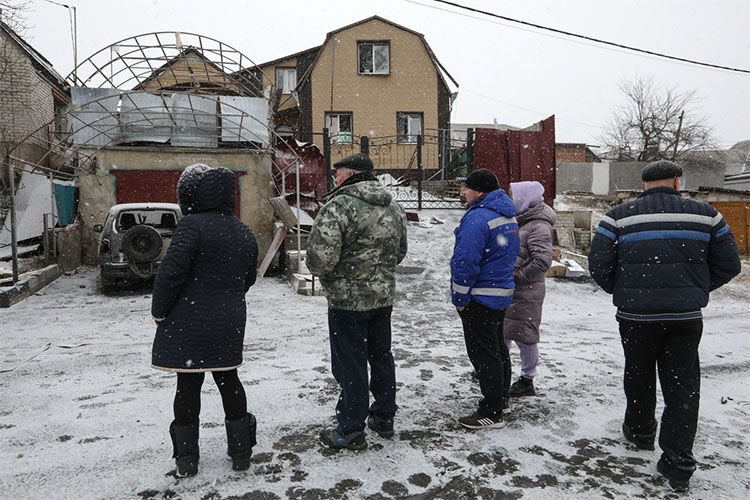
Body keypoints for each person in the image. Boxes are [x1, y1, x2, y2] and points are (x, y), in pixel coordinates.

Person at [588, 160, 741, 492]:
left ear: (643, 185)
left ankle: (640, 431)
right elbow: (730, 264)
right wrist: (693, 290)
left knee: (638, 373)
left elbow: (598, 265)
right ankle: (678, 463)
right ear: (676, 182)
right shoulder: (706, 215)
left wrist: (627, 291)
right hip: (684, 319)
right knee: (683, 387)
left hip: (636, 318)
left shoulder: (618, 217)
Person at [151, 164, 259, 477]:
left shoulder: (191, 226)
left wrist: (160, 311)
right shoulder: (242, 229)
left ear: (192, 195)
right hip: (229, 319)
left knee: (188, 384)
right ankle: (240, 453)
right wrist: (225, 297)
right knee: (229, 380)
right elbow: (248, 277)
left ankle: (187, 459)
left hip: (190, 320)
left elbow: (170, 275)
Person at [306, 152, 408, 451]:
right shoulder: (394, 207)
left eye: (338, 173)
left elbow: (320, 260)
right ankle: (384, 416)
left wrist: (338, 274)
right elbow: (400, 251)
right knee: (380, 356)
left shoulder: (339, 207)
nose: (334, 178)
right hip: (382, 297)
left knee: (350, 363)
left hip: (346, 301)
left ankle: (351, 428)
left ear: (349, 174)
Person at [451, 168, 520, 429]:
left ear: (479, 191)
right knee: (497, 349)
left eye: (466, 188)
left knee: (484, 353)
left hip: (479, 296)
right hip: (499, 293)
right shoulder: (507, 215)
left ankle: (491, 411)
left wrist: (460, 296)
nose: (463, 192)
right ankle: (500, 400)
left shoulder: (478, 218)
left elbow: (465, 261)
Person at [504, 181, 556, 398]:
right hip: (517, 290)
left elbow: (543, 261)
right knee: (505, 331)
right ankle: (497, 368)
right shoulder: (525, 220)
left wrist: (516, 277)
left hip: (527, 291)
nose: (510, 200)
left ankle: (527, 380)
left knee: (525, 336)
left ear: (525, 198)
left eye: (512, 196)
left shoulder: (538, 225)